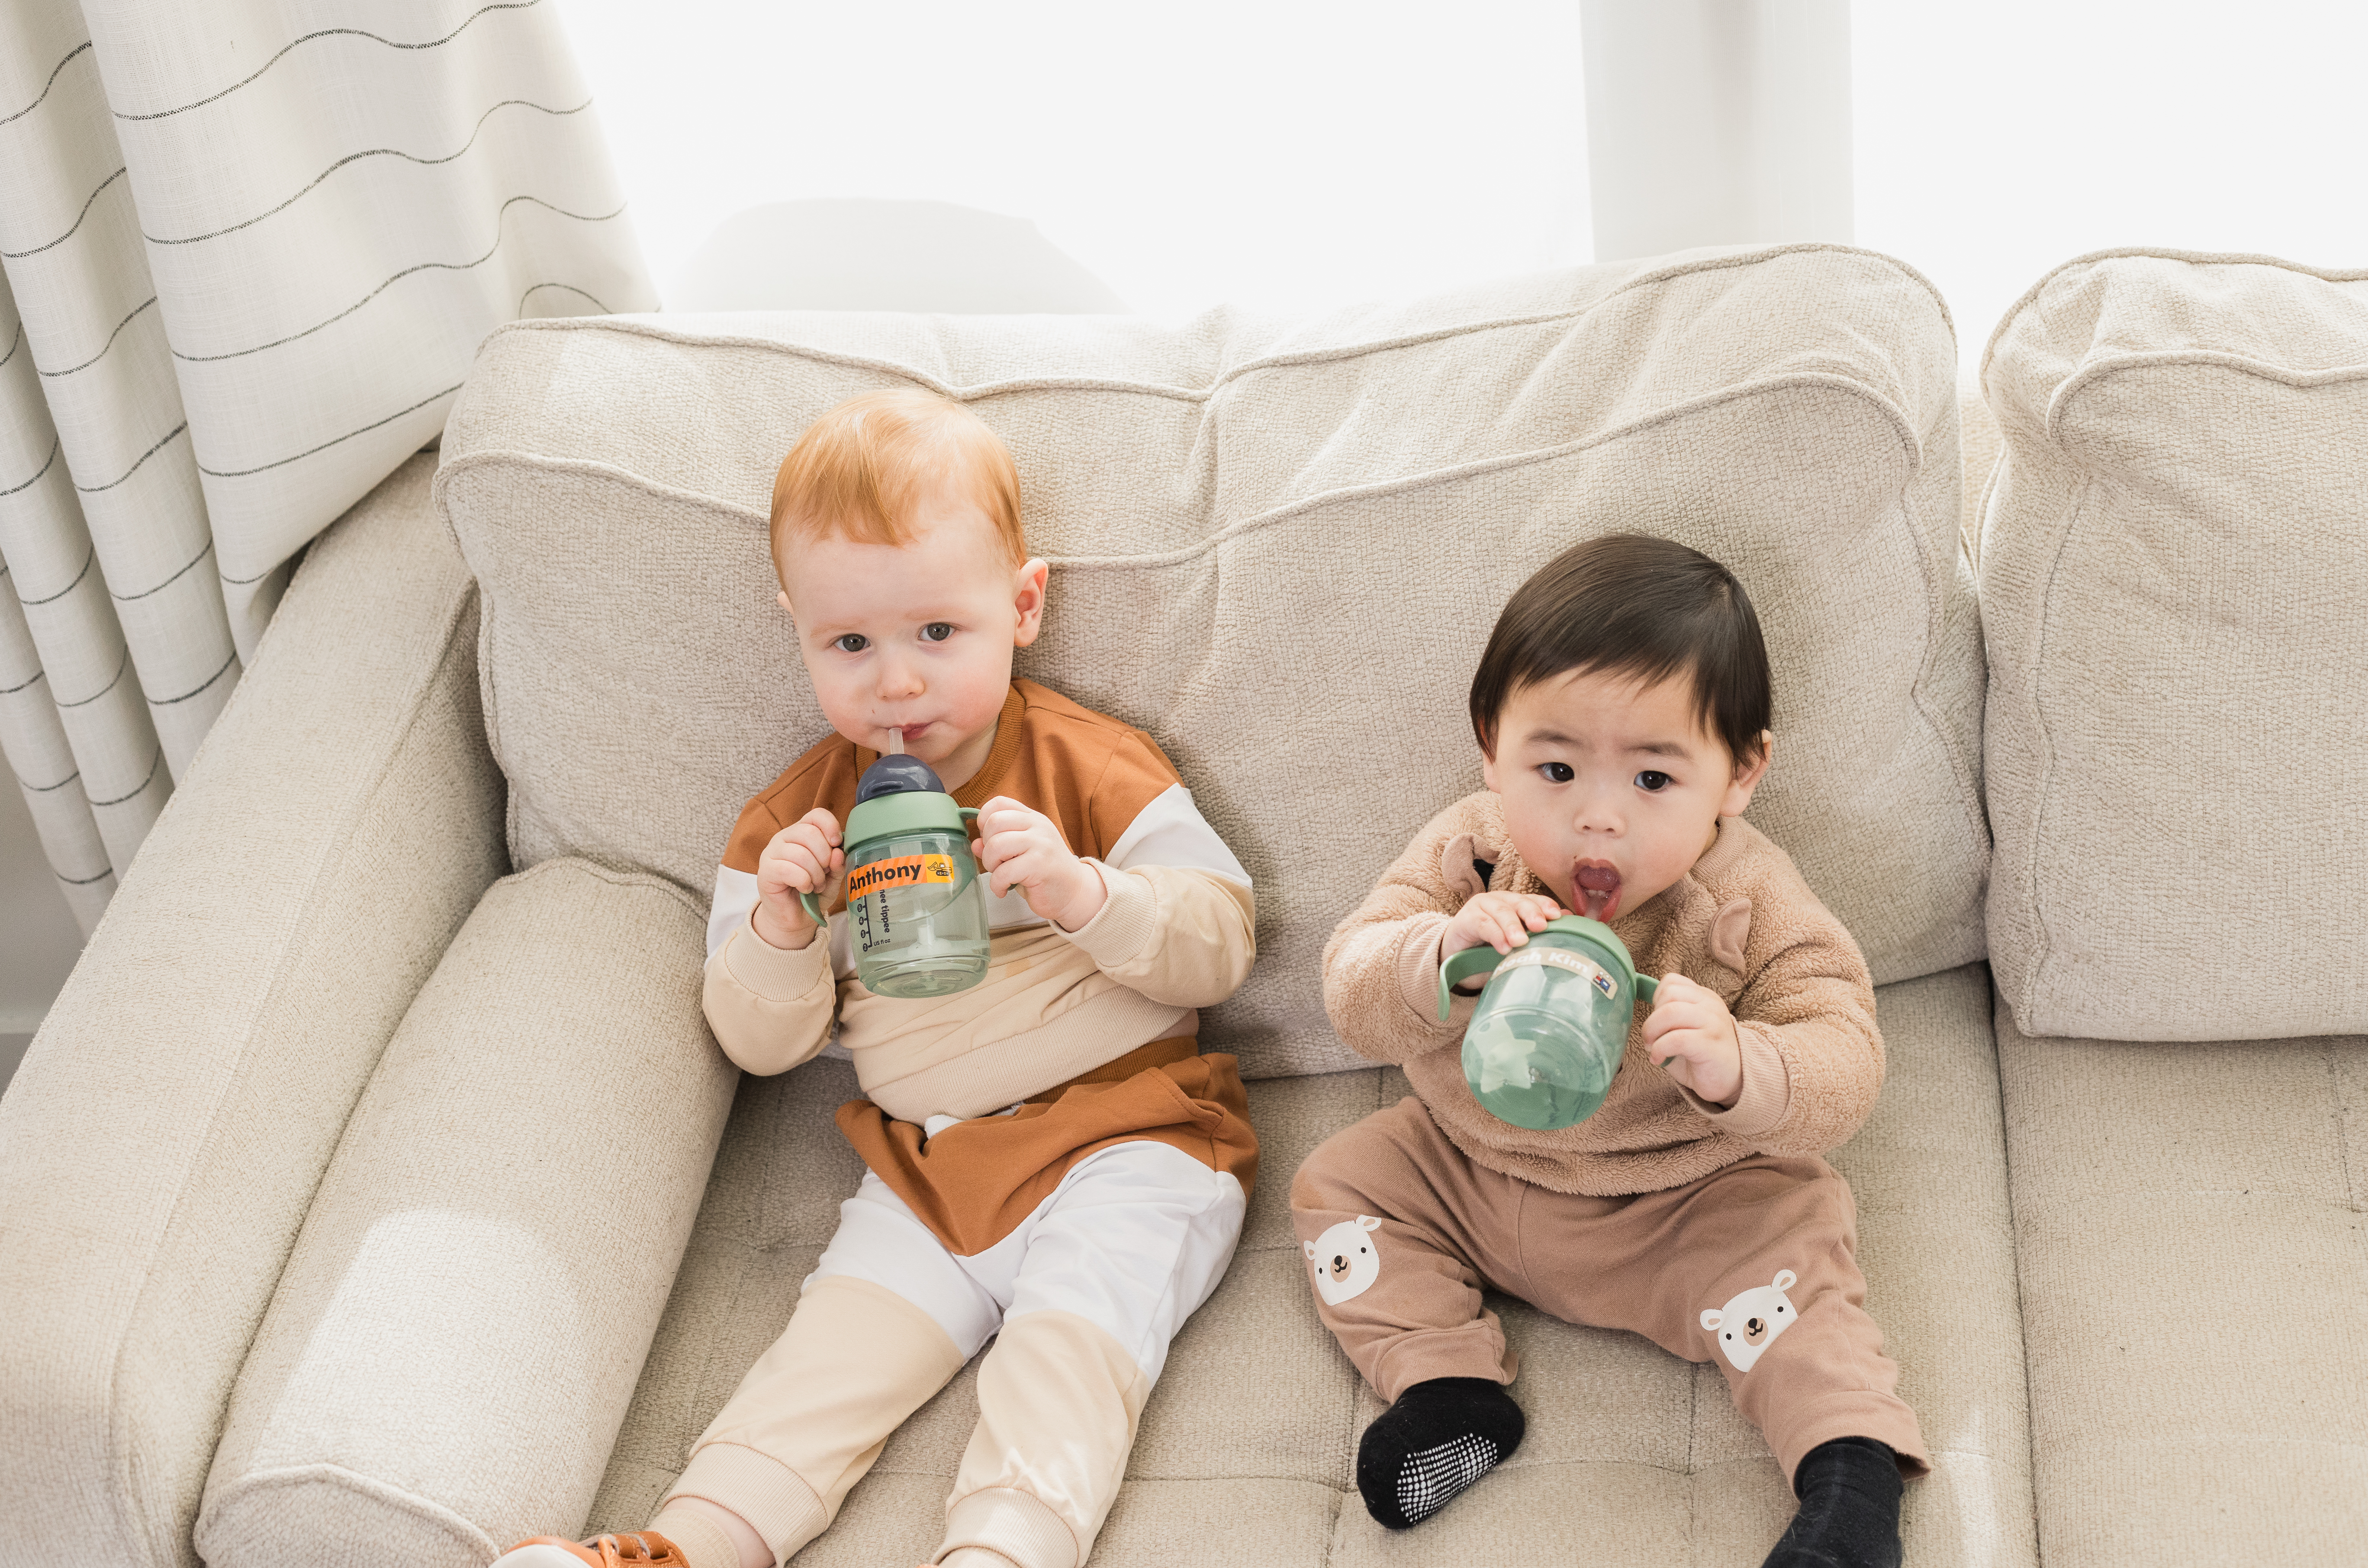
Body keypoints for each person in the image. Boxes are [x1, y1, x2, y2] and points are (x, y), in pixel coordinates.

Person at [496, 389, 1258, 1568]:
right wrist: (785, 932)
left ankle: (1002, 1552)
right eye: (851, 645)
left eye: (938, 635)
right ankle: (680, 1550)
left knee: (1073, 1341)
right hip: (929, 1167)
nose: (896, 685)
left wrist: (1083, 892)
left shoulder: (1089, 765)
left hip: (1132, 1136)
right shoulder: (795, 821)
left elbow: (1221, 938)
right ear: (797, 630)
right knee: (826, 1359)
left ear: (1023, 605)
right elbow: (758, 1043)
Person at [1293, 532, 1925, 1568]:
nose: (1597, 819)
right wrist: (1438, 956)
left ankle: (1848, 1484)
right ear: (1491, 747)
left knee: (1797, 1249)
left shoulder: (1750, 901)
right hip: (1473, 1169)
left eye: (1652, 779)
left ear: (1740, 774)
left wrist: (1739, 1065)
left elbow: (1844, 1050)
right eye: (1555, 768)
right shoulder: (1470, 854)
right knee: (1337, 1184)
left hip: (1681, 1202)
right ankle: (1451, 1394)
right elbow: (1351, 981)